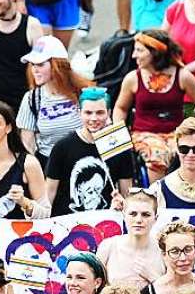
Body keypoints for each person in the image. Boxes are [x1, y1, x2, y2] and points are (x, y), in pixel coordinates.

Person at [112, 29, 195, 183]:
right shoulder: (132, 78)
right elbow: (120, 108)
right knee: (157, 154)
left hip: (176, 133)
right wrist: (119, 133)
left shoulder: (182, 76)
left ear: (154, 52)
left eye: (139, 50)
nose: (133, 55)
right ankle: (158, 197)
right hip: (144, 134)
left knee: (188, 153)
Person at [46, 87, 133, 215]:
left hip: (106, 219)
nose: (94, 118)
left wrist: (123, 205)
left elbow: (127, 193)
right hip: (67, 221)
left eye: (99, 113)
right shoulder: (62, 147)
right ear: (79, 112)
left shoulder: (118, 146)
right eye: (88, 113)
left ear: (109, 113)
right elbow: (49, 194)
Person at [16, 35, 91, 164]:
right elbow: (27, 146)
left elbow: (104, 127)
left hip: (84, 162)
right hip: (49, 166)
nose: (35, 70)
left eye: (40, 64)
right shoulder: (32, 99)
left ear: (57, 65)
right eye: (32, 64)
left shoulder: (82, 92)